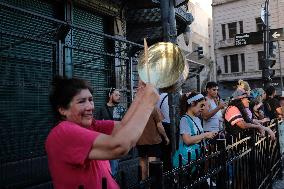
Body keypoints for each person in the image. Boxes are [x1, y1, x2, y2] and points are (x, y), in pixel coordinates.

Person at [46, 76, 159, 189]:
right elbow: (119, 147)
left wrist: (140, 94)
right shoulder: (62, 132)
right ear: (62, 110)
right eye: (81, 102)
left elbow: (123, 126)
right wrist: (148, 104)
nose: (90, 107)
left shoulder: (90, 125)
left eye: (90, 100)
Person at [173, 92, 217, 167]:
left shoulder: (197, 119)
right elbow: (187, 140)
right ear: (193, 103)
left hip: (195, 157)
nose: (203, 108)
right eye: (201, 105)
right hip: (187, 160)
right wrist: (205, 135)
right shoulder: (185, 119)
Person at [96, 88, 126, 177]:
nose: (118, 97)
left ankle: (112, 182)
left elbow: (124, 124)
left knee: (114, 166)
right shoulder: (102, 109)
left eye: (119, 95)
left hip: (116, 140)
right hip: (104, 141)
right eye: (116, 95)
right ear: (110, 95)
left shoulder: (120, 109)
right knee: (104, 166)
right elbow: (96, 124)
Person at [136, 106, 170, 180]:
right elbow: (159, 126)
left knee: (142, 160)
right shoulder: (153, 108)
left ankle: (143, 182)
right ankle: (151, 183)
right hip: (153, 140)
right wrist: (165, 137)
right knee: (152, 161)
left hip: (140, 140)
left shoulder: (136, 108)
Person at [157, 92, 172, 170]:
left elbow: (157, 111)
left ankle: (165, 169)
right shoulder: (174, 95)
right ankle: (169, 169)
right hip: (171, 124)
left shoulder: (160, 96)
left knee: (165, 150)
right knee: (172, 149)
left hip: (163, 124)